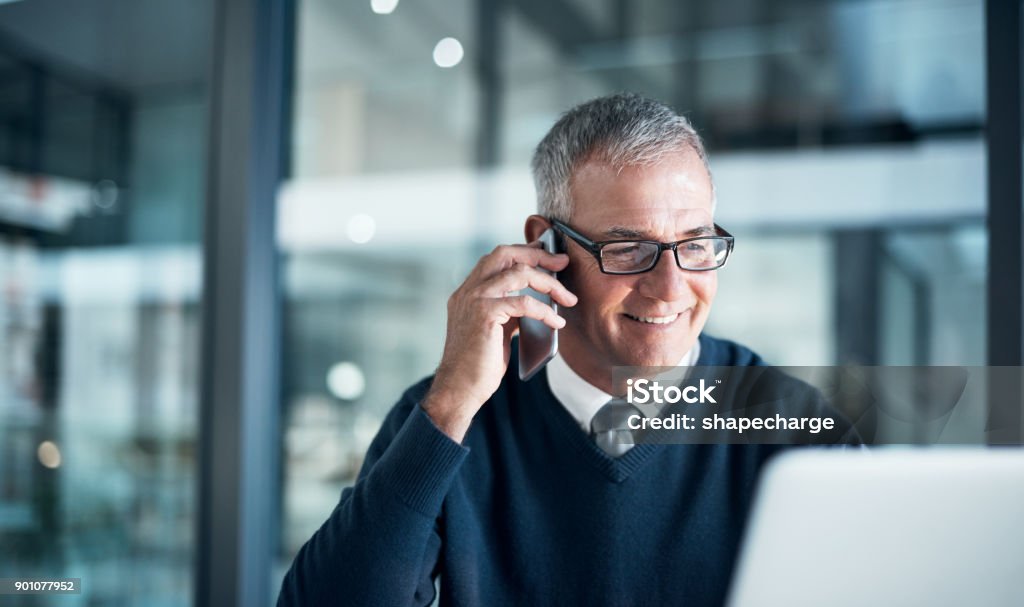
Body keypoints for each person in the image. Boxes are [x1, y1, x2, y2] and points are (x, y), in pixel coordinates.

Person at [277, 92, 853, 606]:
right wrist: (452, 401)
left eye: (695, 244)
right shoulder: (447, 419)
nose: (672, 289)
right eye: (628, 250)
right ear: (544, 245)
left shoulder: (795, 427)